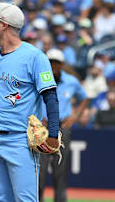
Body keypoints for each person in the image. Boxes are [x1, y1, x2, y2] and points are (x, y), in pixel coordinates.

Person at [0, 3, 60, 202]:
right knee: (0, 199)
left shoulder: (35, 57)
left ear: (4, 25)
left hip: (20, 141)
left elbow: (50, 97)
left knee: (25, 200)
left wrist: (52, 134)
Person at [39, 49, 88, 202]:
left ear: (62, 65)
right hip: (42, 129)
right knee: (39, 173)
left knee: (60, 174)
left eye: (56, 63)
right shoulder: (39, 79)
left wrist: (75, 116)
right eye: (50, 62)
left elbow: (84, 98)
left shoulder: (71, 81)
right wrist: (36, 116)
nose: (53, 65)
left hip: (62, 128)